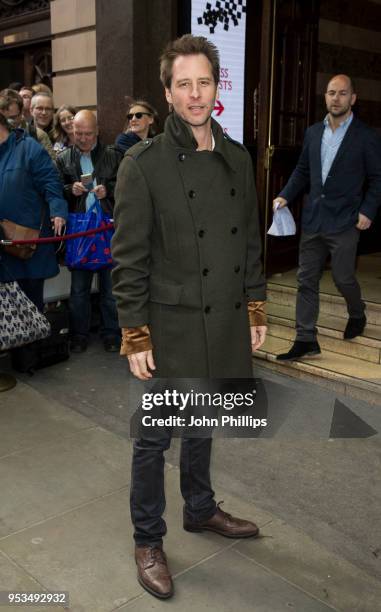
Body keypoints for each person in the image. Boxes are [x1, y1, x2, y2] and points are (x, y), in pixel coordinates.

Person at [111, 34, 267, 599]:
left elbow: (250, 240)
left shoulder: (236, 156)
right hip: (169, 323)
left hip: (222, 318)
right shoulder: (142, 164)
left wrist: (254, 305)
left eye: (204, 81)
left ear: (216, 85)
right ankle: (147, 538)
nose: (195, 94)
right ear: (168, 92)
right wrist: (135, 333)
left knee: (205, 421)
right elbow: (128, 257)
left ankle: (200, 508)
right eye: (184, 84)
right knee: (153, 440)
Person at [274, 74, 381, 362]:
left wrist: (367, 211)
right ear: (325, 97)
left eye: (342, 93)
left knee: (343, 277)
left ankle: (357, 313)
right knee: (305, 279)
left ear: (353, 98)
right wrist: (285, 194)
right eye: (331, 93)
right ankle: (305, 337)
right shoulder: (312, 133)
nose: (336, 98)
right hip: (314, 219)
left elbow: (377, 178)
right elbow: (303, 171)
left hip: (347, 220)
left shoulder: (366, 136)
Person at [56, 110, 123, 353]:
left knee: (110, 290)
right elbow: (55, 190)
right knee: (78, 290)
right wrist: (68, 189)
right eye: (78, 133)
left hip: (108, 227)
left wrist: (110, 190)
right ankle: (79, 336)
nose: (82, 139)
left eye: (88, 134)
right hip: (80, 231)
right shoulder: (63, 158)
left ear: (97, 132)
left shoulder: (113, 155)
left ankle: (112, 334)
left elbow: (128, 185)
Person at [0, 111, 67, 311]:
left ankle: (33, 343)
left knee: (30, 310)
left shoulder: (29, 148)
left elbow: (51, 183)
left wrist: (58, 212)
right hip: (2, 246)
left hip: (27, 245)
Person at [0, 89, 55, 160]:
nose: (7, 123)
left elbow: (52, 166)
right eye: (2, 118)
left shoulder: (37, 135)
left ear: (22, 112)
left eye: (12, 118)